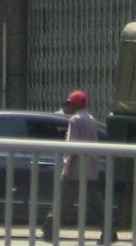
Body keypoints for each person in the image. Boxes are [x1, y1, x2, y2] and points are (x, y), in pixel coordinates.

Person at [41, 89, 103, 237]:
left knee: (62, 202)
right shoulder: (91, 119)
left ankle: (49, 229)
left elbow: (72, 147)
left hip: (75, 171)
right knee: (95, 204)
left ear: (74, 104)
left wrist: (66, 168)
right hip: (90, 169)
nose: (67, 107)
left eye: (69, 103)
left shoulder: (75, 120)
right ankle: (109, 231)